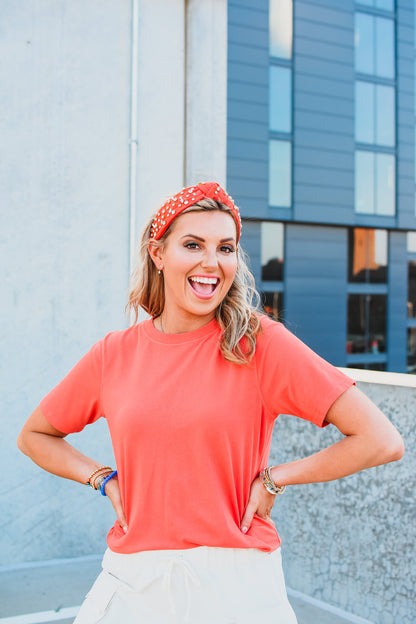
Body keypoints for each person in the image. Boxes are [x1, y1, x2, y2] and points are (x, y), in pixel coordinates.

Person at [17, 182, 404, 624]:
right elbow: (35, 435)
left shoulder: (258, 343)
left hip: (235, 582)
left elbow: (381, 439)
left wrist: (276, 478)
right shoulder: (114, 353)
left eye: (226, 248)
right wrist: (104, 478)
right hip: (135, 577)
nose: (211, 262)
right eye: (192, 245)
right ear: (158, 254)